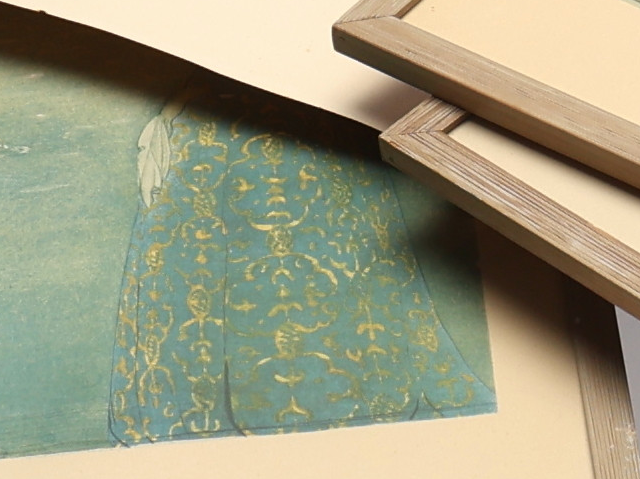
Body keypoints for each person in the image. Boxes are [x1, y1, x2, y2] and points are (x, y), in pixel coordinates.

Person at [108, 90, 491, 442]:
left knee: (339, 256)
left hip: (314, 121)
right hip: (219, 129)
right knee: (205, 260)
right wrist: (169, 114)